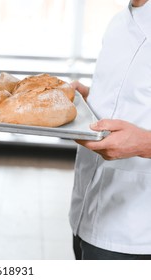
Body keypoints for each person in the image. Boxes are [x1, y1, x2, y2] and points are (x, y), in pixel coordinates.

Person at [70, 0, 151, 260]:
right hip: (86, 210)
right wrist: (89, 99)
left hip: (137, 231)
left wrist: (145, 143)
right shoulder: (118, 22)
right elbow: (131, 99)